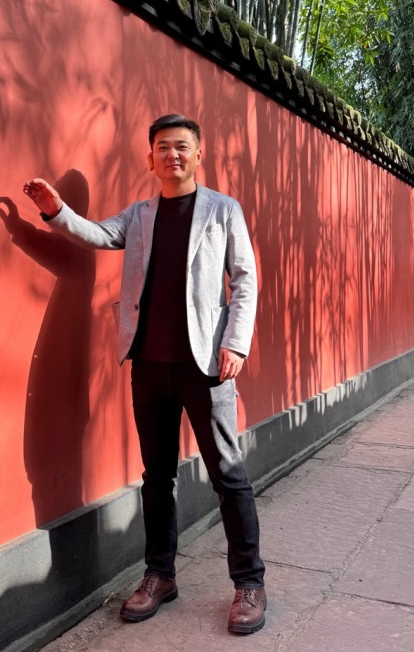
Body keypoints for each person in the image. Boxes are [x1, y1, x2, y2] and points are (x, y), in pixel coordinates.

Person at [17, 113, 266, 634]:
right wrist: (56, 211)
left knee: (228, 474)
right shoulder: (140, 215)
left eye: (182, 146)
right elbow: (97, 234)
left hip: (206, 366)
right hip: (149, 364)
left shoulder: (223, 210)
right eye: (163, 147)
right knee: (157, 476)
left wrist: (235, 343)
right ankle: (160, 575)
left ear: (198, 154)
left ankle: (249, 582)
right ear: (150, 159)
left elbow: (245, 279)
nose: (172, 154)